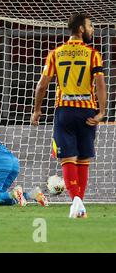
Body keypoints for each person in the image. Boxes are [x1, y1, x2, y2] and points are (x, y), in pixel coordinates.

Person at [31, 13, 107, 218]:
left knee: (68, 159)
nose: (92, 29)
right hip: (87, 111)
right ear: (81, 29)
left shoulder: (56, 53)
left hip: (65, 110)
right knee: (83, 160)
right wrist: (102, 111)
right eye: (90, 26)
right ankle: (78, 203)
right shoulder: (93, 54)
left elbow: (42, 85)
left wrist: (37, 110)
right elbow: (100, 84)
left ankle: (76, 202)